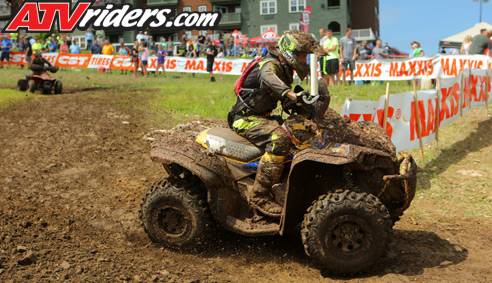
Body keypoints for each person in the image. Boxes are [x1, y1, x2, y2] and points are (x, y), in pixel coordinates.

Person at [227, 30, 326, 217]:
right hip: (245, 119)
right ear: (291, 52)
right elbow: (267, 77)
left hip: (263, 116)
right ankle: (259, 195)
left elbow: (278, 96)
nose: (305, 61)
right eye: (303, 56)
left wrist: (301, 101)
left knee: (300, 131)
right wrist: (290, 94)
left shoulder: (285, 68)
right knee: (279, 137)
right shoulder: (270, 64)